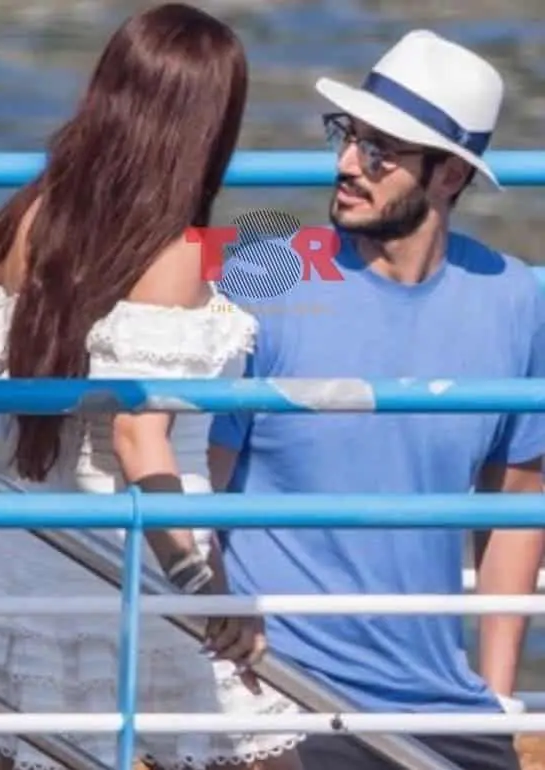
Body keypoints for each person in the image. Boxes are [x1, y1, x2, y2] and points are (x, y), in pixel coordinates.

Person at [0, 5, 307, 770]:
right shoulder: (171, 255)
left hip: (38, 562)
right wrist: (204, 587)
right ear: (203, 126)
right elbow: (139, 436)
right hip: (140, 572)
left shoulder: (37, 218)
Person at [208, 29, 545, 770]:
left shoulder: (514, 298)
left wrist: (496, 696)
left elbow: (517, 505)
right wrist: (225, 652)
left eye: (380, 151)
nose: (346, 164)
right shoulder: (262, 276)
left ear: (450, 174)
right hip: (279, 691)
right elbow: (195, 478)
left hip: (445, 705)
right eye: (348, 136)